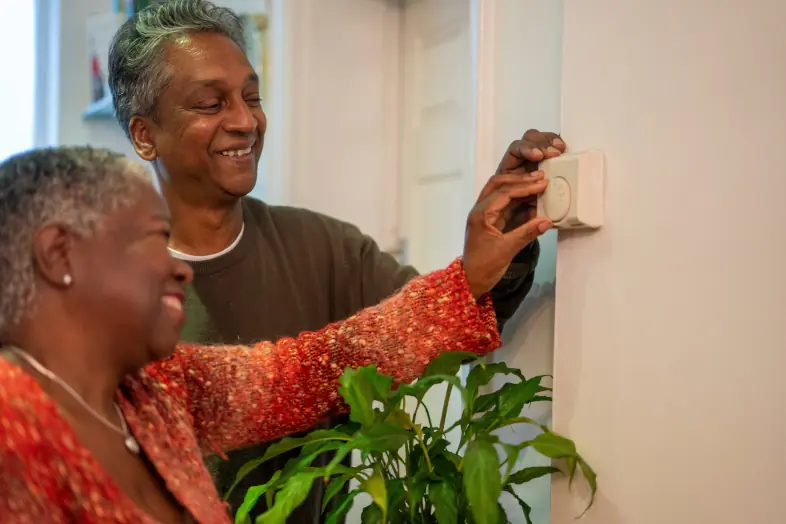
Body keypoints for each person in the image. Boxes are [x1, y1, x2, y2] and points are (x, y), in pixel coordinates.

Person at [107, 0, 566, 519]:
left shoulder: (321, 245)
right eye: (211, 104)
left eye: (252, 97)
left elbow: (445, 329)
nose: (245, 120)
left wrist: (508, 233)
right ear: (145, 134)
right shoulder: (101, 286)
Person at [0, 146, 553, 523]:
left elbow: (316, 368)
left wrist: (470, 277)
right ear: (59, 254)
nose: (179, 268)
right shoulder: (11, 422)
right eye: (152, 238)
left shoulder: (157, 388)